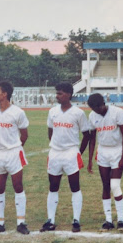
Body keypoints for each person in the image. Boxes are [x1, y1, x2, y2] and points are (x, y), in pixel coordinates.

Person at [41, 82, 91, 233]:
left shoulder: (78, 113)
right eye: (57, 93)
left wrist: (79, 152)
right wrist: (55, 144)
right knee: (53, 186)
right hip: (55, 153)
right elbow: (50, 130)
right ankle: (50, 220)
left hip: (71, 152)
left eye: (60, 93)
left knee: (74, 186)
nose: (57, 96)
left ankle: (76, 220)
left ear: (69, 94)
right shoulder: (52, 112)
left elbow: (86, 135)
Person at [0, 81, 30, 235]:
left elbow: (24, 135)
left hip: (14, 153)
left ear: (4, 94)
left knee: (18, 186)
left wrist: (15, 148)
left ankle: (21, 222)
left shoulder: (18, 112)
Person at [86, 93, 123, 232]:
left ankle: (121, 220)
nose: (95, 111)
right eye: (93, 109)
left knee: (115, 185)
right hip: (103, 152)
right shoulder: (92, 116)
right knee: (105, 186)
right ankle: (108, 220)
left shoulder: (117, 112)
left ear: (102, 104)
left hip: (117, 151)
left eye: (97, 108)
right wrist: (90, 159)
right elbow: (92, 139)